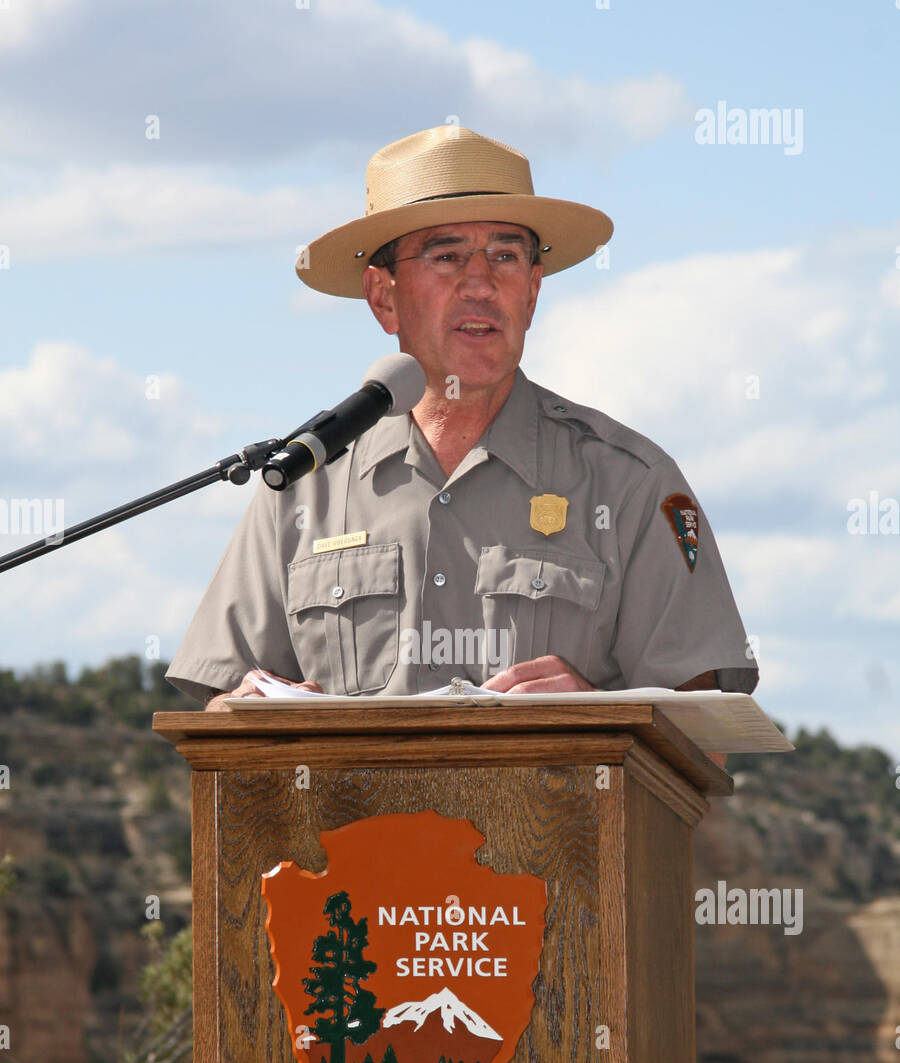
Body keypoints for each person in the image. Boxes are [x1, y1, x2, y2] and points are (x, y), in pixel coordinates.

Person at [166, 126, 758, 714]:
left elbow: (705, 739)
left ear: (531, 289)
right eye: (446, 256)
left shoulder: (632, 484)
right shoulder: (302, 483)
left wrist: (600, 713)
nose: (480, 283)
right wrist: (240, 712)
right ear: (384, 297)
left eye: (505, 256)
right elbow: (225, 713)